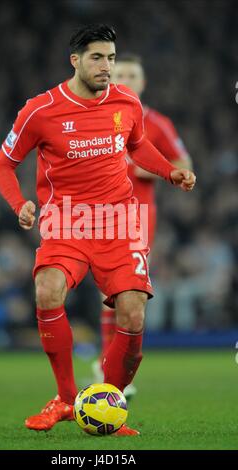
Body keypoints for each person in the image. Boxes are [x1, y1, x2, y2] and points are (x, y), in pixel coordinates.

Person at [0, 23, 196, 436]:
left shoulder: (126, 102)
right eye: (98, 58)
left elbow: (138, 145)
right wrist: (20, 205)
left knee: (134, 313)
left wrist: (169, 172)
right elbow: (3, 164)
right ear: (76, 60)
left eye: (112, 58)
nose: (108, 67)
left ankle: (107, 401)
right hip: (66, 220)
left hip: (119, 221)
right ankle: (66, 399)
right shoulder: (40, 109)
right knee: (48, 289)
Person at [94, 54, 193, 397]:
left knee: (128, 293)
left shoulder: (157, 123)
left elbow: (182, 163)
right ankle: (107, 362)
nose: (125, 79)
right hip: (96, 214)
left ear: (142, 82)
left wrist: (138, 168)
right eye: (119, 73)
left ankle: (115, 365)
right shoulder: (93, 115)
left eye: (132, 74)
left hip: (136, 217)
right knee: (106, 292)